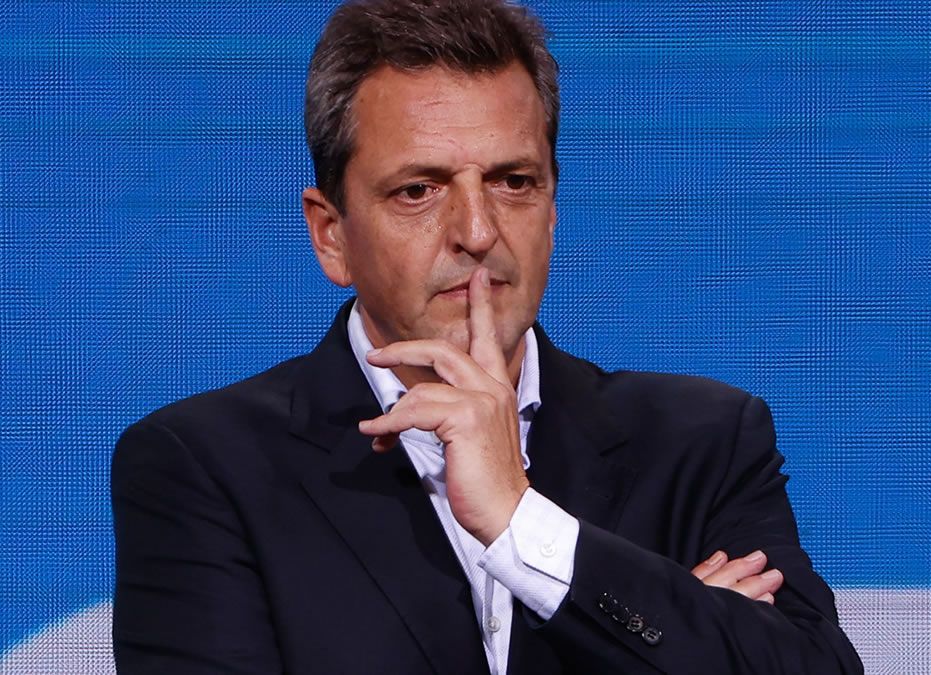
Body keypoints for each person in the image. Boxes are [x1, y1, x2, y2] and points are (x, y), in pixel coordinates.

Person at [110, 0, 863, 672]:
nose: (477, 231)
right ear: (331, 234)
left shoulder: (701, 442)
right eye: (418, 190)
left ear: (553, 210)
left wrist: (518, 518)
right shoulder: (205, 468)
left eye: (513, 182)